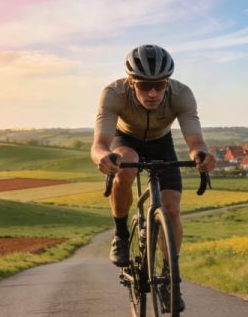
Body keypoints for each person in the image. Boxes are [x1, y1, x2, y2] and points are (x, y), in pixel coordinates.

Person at [91, 44, 216, 271]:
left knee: (172, 209)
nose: (152, 93)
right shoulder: (113, 94)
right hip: (125, 140)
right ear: (131, 82)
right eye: (144, 85)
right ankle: (120, 234)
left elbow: (196, 143)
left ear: (167, 82)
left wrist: (202, 155)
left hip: (161, 143)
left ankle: (171, 275)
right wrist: (103, 157)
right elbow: (100, 145)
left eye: (159, 85)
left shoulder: (182, 95)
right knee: (125, 165)